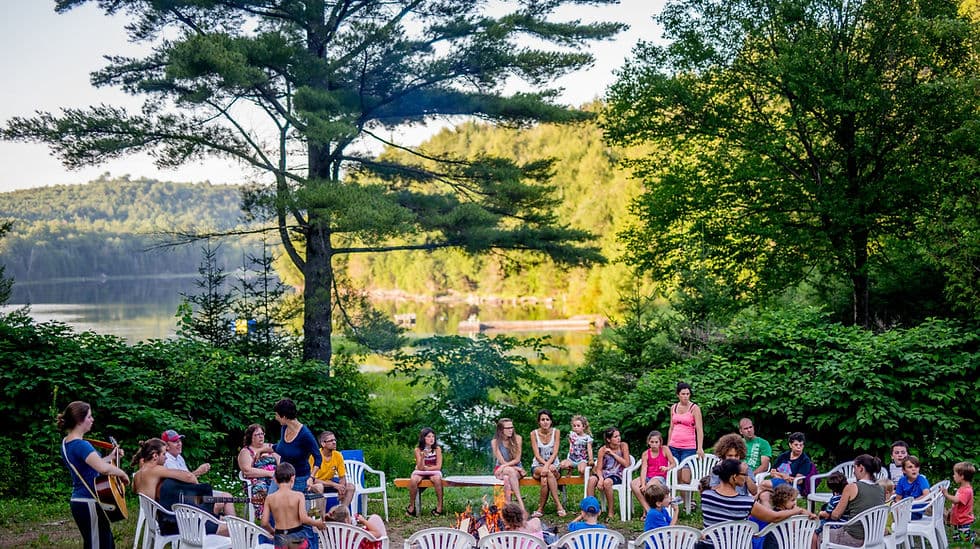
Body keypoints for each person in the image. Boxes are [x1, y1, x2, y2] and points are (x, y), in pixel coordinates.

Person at [58, 401, 130, 549]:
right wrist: (122, 473)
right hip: (88, 501)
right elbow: (103, 469)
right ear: (80, 420)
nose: (92, 420)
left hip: (83, 501)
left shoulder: (67, 443)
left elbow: (93, 464)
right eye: (89, 416)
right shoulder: (81, 445)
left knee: (104, 543)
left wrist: (110, 457)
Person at [698, 459, 810, 549]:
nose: (747, 477)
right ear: (734, 477)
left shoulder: (706, 496)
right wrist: (797, 511)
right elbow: (774, 517)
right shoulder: (745, 502)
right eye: (745, 474)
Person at [132, 437, 230, 536]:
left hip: (159, 520)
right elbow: (189, 476)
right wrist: (195, 487)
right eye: (164, 454)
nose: (166, 457)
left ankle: (214, 521)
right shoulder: (155, 469)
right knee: (233, 530)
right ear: (155, 456)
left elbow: (136, 490)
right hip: (172, 523)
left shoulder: (137, 475)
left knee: (218, 520)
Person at [271, 398, 322, 549]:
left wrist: (311, 478)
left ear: (284, 416)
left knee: (302, 518)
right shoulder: (284, 428)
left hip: (300, 478)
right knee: (274, 506)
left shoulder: (305, 434)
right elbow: (282, 449)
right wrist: (264, 450)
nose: (275, 418)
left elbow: (317, 457)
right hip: (282, 477)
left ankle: (311, 546)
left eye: (277, 415)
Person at [161, 428, 236, 517]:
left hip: (191, 492)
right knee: (218, 502)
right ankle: (209, 526)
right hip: (184, 497)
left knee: (227, 497)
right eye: (175, 442)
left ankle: (234, 527)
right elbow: (183, 481)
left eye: (180, 441)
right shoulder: (167, 460)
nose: (179, 444)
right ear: (167, 446)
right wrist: (198, 472)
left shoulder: (179, 457)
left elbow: (188, 477)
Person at [821, 454, 886, 548]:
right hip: (875, 537)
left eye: (854, 468)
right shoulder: (881, 488)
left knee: (819, 535)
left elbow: (835, 515)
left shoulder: (852, 487)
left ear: (861, 468)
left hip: (854, 537)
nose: (853, 472)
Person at [262, 463, 326, 549]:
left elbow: (264, 523)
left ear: (275, 479)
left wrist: (273, 532)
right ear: (293, 478)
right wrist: (319, 523)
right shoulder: (298, 496)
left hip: (280, 536)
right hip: (297, 535)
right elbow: (304, 519)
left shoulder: (270, 498)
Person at [667, 382, 703, 508]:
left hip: (689, 446)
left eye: (688, 394)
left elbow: (699, 429)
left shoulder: (694, 408)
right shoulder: (673, 408)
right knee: (677, 475)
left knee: (686, 476)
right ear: (678, 395)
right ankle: (683, 501)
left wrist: (700, 447)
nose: (686, 396)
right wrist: (667, 445)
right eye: (683, 394)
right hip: (674, 445)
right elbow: (671, 428)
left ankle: (690, 499)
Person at [530, 409, 567, 518]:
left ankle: (540, 509)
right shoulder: (534, 433)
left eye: (547, 419)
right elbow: (537, 455)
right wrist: (546, 466)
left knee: (546, 477)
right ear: (539, 422)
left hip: (553, 465)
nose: (545, 422)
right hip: (538, 466)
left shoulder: (556, 432)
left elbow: (555, 452)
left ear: (551, 421)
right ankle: (558, 506)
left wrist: (548, 467)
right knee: (547, 473)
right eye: (542, 419)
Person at [238, 423, 280, 519]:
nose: (261, 436)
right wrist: (270, 473)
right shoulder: (246, 452)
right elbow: (247, 471)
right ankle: (265, 517)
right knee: (261, 488)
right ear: (251, 437)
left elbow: (280, 462)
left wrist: (278, 474)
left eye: (262, 433)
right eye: (257, 434)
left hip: (275, 477)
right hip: (256, 481)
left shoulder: (271, 447)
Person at [631, 430, 676, 519]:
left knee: (650, 485)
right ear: (648, 442)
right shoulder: (645, 454)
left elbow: (673, 463)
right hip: (648, 476)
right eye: (652, 442)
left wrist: (667, 468)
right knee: (634, 484)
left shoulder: (665, 449)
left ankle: (647, 513)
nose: (654, 444)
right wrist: (643, 484)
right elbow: (644, 469)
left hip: (660, 477)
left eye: (656, 442)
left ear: (660, 443)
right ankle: (648, 510)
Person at [589, 426, 630, 522]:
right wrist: (600, 479)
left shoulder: (623, 446)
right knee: (591, 480)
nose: (618, 438)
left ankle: (611, 512)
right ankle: (591, 510)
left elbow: (626, 464)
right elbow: (598, 469)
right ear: (608, 439)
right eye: (615, 437)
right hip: (604, 473)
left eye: (619, 436)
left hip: (618, 474)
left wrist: (612, 454)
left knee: (607, 482)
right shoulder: (602, 450)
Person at [310, 430, 355, 514]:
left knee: (350, 487)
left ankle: (341, 515)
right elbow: (313, 479)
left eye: (334, 440)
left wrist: (341, 488)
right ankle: (321, 518)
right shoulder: (315, 455)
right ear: (323, 444)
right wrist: (335, 485)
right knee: (319, 486)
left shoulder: (338, 455)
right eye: (331, 441)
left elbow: (342, 476)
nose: (334, 442)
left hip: (329, 483)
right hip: (315, 484)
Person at [407, 427, 444, 517]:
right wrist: (423, 457)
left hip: (434, 472)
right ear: (423, 438)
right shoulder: (418, 450)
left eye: (433, 437)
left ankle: (439, 506)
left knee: (437, 479)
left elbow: (438, 467)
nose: (431, 439)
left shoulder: (437, 449)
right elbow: (420, 467)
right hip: (421, 471)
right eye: (428, 436)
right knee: (413, 480)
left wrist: (426, 468)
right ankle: (412, 506)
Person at [709, 433, 758, 497]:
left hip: (741, 500)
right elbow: (712, 489)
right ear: (724, 456)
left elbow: (754, 491)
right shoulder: (718, 468)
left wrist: (744, 474)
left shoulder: (746, 468)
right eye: (730, 456)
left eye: (736, 456)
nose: (733, 459)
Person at [492, 417, 526, 510]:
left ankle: (508, 508)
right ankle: (520, 504)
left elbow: (517, 459)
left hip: (513, 469)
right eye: (508, 428)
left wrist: (516, 468)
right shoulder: (495, 442)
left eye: (512, 427)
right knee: (508, 473)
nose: (511, 430)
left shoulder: (518, 439)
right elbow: (502, 462)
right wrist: (516, 468)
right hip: (501, 470)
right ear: (501, 430)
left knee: (508, 476)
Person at [324, 504, 388, 549]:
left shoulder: (330, 532)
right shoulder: (354, 533)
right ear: (346, 520)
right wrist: (363, 521)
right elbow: (378, 534)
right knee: (375, 518)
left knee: (373, 519)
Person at [941, 461, 975, 545]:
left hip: (964, 523)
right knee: (959, 543)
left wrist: (946, 494)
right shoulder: (963, 488)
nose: (953, 476)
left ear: (962, 476)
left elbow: (956, 500)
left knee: (964, 544)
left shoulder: (966, 490)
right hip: (960, 523)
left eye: (955, 474)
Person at [895, 455, 930, 520]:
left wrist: (911, 502)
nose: (914, 469)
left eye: (916, 467)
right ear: (904, 470)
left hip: (915, 511)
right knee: (889, 512)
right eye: (910, 467)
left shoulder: (921, 479)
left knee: (891, 517)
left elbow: (927, 495)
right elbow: (898, 498)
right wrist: (900, 506)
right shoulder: (902, 480)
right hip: (903, 509)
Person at [816, 471, 848, 536]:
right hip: (847, 522)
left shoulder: (834, 499)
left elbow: (827, 515)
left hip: (836, 524)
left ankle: (816, 535)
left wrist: (820, 513)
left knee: (819, 526)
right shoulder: (848, 496)